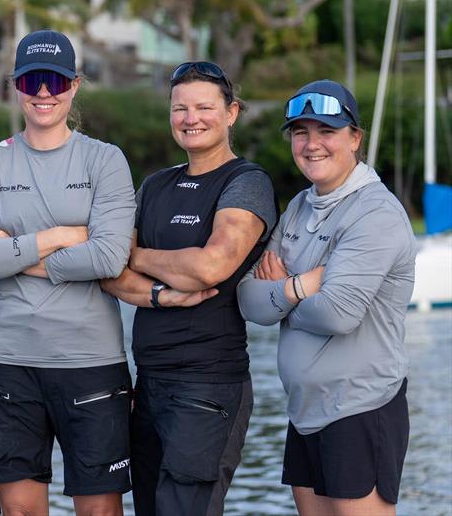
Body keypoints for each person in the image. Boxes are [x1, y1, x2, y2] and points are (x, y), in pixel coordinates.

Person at [0, 29, 136, 516]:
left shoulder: (105, 160)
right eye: (33, 80)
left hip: (91, 362)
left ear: (74, 85)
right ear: (16, 85)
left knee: (99, 511)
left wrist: (11, 257)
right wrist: (57, 238)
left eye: (54, 81)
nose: (43, 93)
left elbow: (109, 258)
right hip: (8, 359)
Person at [101, 61, 279, 516]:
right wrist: (162, 291)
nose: (190, 118)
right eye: (179, 108)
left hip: (208, 386)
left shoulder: (246, 183)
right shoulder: (156, 185)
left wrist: (137, 258)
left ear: (232, 112)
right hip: (149, 383)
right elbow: (108, 271)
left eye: (204, 107)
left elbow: (211, 266)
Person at [237, 79, 416, 516]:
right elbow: (248, 301)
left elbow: (338, 314)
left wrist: (281, 289)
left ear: (355, 138)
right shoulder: (299, 205)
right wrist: (302, 285)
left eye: (327, 131)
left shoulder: (375, 214)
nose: (312, 144)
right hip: (305, 412)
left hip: (359, 408)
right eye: (301, 132)